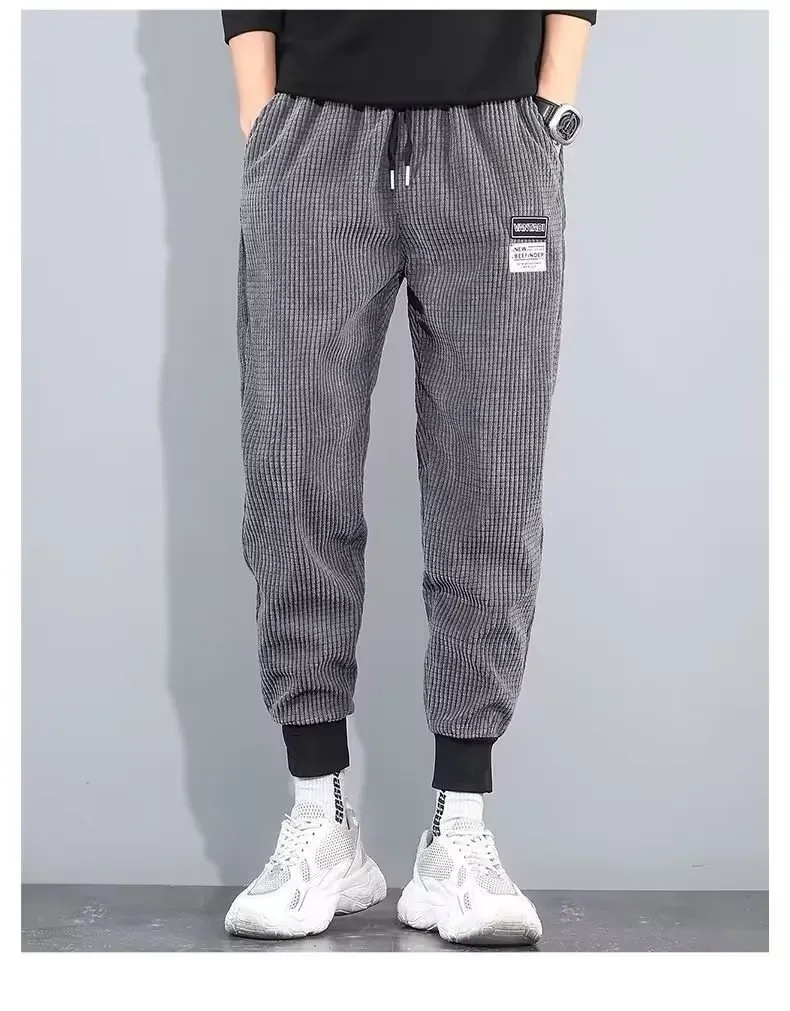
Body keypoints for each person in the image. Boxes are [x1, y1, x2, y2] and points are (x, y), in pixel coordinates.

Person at [221, 9, 595, 946]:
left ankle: (457, 831)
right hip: (312, 133)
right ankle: (321, 819)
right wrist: (261, 115)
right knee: (293, 473)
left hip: (495, 136)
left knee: (491, 482)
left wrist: (551, 103)